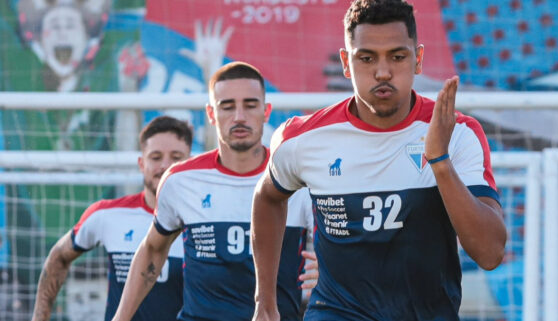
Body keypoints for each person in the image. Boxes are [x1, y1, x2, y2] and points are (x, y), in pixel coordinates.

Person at [250, 0, 507, 320]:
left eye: (397, 57)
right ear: (346, 63)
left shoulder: (459, 133)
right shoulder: (304, 138)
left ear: (418, 59)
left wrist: (439, 161)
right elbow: (267, 197)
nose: (383, 71)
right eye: (367, 58)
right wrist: (265, 300)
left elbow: (490, 253)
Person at [112, 62, 315, 321]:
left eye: (250, 105)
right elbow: (153, 250)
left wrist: (333, 271)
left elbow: (336, 248)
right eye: (227, 106)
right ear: (210, 113)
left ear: (266, 111)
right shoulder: (181, 180)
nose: (239, 116)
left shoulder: (298, 180)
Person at [31, 116, 194, 321]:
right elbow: (58, 257)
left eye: (176, 157)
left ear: (189, 163)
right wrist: (40, 317)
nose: (165, 166)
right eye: (156, 157)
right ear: (141, 163)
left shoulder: (202, 222)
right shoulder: (108, 214)